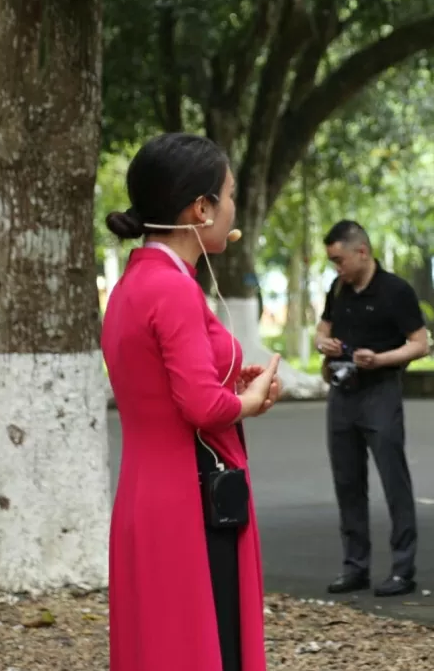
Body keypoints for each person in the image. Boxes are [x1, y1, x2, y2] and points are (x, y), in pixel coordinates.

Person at [102, 132, 282, 671]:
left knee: (158, 644)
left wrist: (229, 381)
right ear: (201, 208)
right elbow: (201, 408)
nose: (233, 207)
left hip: (145, 490)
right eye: (228, 195)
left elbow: (164, 384)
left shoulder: (136, 281)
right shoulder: (175, 288)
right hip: (189, 497)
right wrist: (247, 400)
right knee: (202, 645)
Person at [316, 220, 429, 597]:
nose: (337, 268)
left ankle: (402, 568)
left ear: (361, 252)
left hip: (380, 390)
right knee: (347, 482)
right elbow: (322, 329)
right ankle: (355, 565)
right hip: (342, 392)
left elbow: (419, 344)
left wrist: (380, 359)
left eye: (340, 259)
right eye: (333, 262)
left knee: (393, 480)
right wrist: (324, 345)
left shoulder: (395, 290)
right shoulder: (339, 288)